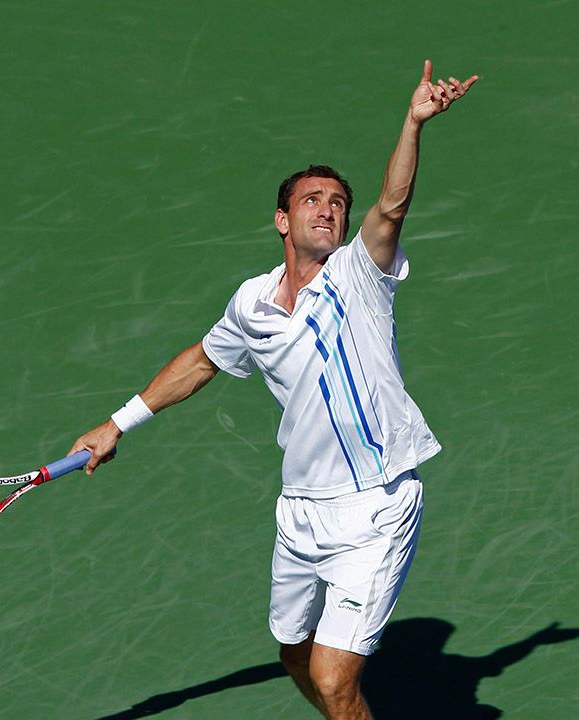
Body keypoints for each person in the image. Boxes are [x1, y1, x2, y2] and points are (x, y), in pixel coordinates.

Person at [69, 60, 477, 720]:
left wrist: (413, 122)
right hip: (301, 511)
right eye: (312, 200)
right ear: (282, 221)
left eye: (337, 203)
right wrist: (119, 422)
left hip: (375, 507)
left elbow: (392, 203)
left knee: (335, 678)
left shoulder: (358, 274)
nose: (328, 209)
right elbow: (202, 361)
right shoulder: (252, 303)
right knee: (294, 654)